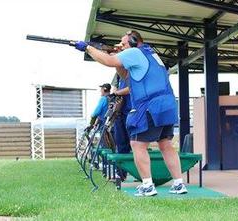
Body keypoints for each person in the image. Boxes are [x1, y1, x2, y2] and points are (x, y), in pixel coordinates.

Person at [75, 30, 187, 196]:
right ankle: (178, 184)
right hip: (167, 104)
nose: (121, 46)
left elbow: (108, 61)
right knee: (165, 145)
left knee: (137, 144)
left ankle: (147, 185)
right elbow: (129, 78)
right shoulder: (151, 54)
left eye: (124, 43)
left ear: (135, 42)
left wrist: (88, 48)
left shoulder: (134, 52)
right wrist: (120, 61)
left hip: (150, 105)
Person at [111, 73, 132, 180]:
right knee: (120, 143)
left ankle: (142, 175)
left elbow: (133, 87)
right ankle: (120, 173)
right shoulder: (118, 74)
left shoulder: (134, 70)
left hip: (133, 111)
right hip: (120, 112)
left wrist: (117, 92)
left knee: (136, 144)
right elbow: (114, 87)